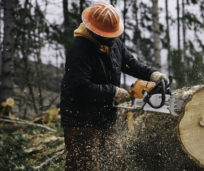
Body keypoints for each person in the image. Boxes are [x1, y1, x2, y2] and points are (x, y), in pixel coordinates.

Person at [59, 2, 168, 170]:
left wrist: (152, 74)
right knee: (83, 165)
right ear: (95, 32)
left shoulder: (113, 43)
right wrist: (113, 92)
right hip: (81, 120)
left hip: (106, 116)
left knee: (116, 162)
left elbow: (130, 63)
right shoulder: (79, 49)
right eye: (108, 36)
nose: (112, 39)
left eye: (113, 35)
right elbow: (79, 87)